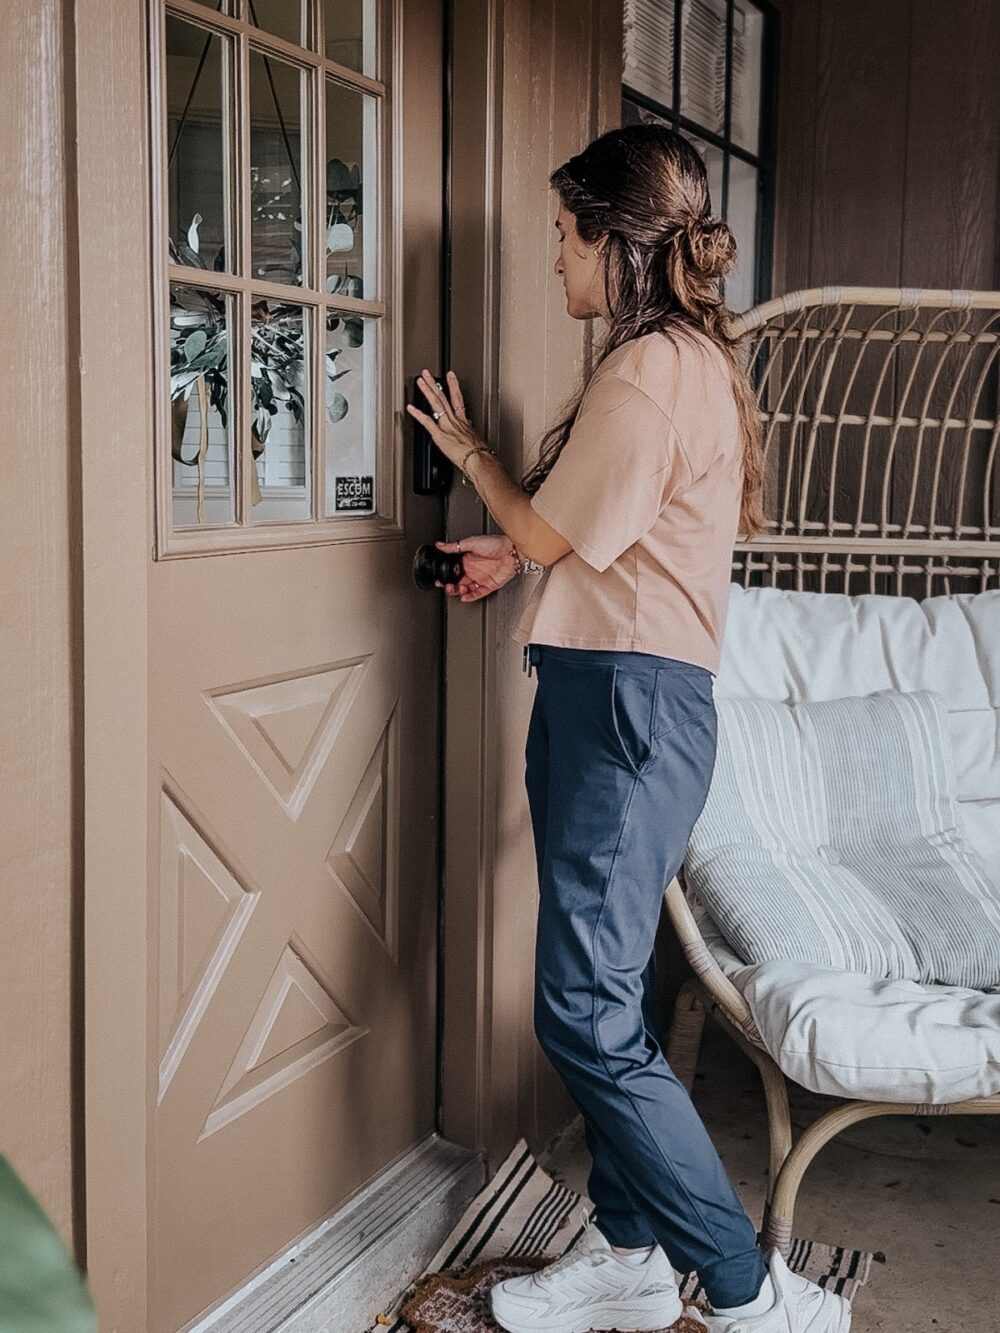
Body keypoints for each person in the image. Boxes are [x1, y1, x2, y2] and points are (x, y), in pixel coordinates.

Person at [405, 124, 851, 1333]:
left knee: (585, 1011)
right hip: (614, 690)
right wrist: (520, 551)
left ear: (616, 242)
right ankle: (628, 1252)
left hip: (628, 706)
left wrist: (474, 458)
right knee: (605, 995)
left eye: (564, 237)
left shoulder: (651, 368)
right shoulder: (673, 361)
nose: (556, 262)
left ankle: (756, 1294)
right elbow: (612, 541)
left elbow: (557, 532)